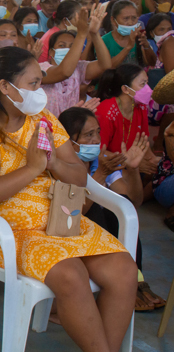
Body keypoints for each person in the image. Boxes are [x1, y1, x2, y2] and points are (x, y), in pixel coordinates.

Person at [0, 47, 136, 352]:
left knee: (125, 271)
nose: (40, 91)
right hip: (10, 232)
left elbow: (78, 175)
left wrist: (54, 165)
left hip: (62, 221)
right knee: (71, 274)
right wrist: (32, 169)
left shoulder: (43, 121)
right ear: (6, 86)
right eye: (33, 84)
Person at [59, 106, 166, 311]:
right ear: (69, 142)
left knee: (121, 208)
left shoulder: (102, 163)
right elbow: (73, 214)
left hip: (102, 237)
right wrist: (99, 175)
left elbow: (133, 202)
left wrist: (133, 170)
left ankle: (136, 277)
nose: (96, 140)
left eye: (98, 132)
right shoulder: (61, 167)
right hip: (73, 236)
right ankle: (127, 283)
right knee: (101, 209)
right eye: (88, 135)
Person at [41, 5, 112, 116]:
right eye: (62, 45)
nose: (68, 50)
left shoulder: (78, 67)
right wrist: (81, 34)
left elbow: (105, 66)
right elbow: (64, 72)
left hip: (71, 127)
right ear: (51, 52)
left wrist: (94, 34)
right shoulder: (41, 68)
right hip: (48, 129)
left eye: (72, 46)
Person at [95, 64, 151, 154]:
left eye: (147, 83)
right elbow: (100, 151)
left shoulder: (141, 106)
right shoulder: (106, 112)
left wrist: (152, 160)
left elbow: (143, 141)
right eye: (143, 84)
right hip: (112, 163)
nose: (148, 89)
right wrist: (126, 163)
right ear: (125, 89)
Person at [102, 0, 156, 67]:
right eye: (126, 18)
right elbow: (106, 68)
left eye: (134, 18)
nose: (130, 23)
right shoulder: (104, 41)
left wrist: (146, 46)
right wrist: (128, 47)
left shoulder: (138, 38)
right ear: (113, 20)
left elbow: (152, 64)